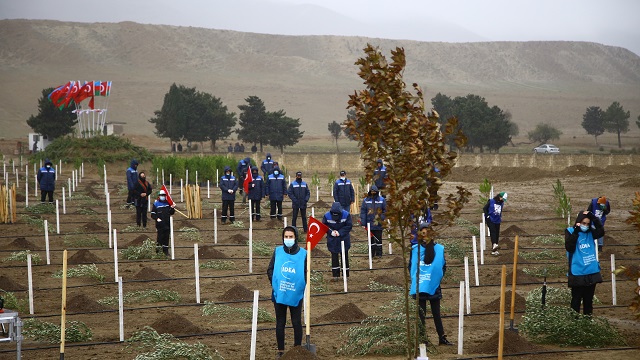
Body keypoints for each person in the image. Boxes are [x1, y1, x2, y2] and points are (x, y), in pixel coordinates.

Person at [409, 222, 453, 346]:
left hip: (427, 286)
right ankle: (428, 339)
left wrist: (432, 279)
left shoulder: (438, 249)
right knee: (427, 315)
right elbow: (411, 267)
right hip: (426, 286)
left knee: (431, 315)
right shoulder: (416, 250)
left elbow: (442, 266)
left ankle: (436, 338)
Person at [267, 225, 307, 359]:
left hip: (296, 294)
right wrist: (276, 285)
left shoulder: (304, 254)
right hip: (279, 293)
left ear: (295, 238)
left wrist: (300, 286)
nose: (288, 239)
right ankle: (280, 350)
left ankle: (297, 349)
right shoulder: (277, 252)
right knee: (280, 322)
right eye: (286, 237)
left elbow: (306, 273)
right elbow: (270, 270)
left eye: (291, 237)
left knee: (296, 322)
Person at [565, 210, 604, 316]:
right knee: (576, 300)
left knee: (588, 301)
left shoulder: (591, 232)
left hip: (591, 271)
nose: (585, 226)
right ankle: (574, 323)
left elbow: (601, 231)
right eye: (583, 223)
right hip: (578, 271)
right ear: (578, 222)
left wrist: (594, 219)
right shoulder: (570, 231)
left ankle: (587, 322)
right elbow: (569, 247)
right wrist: (576, 232)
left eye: (587, 223)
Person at [323, 202, 353, 281]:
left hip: (344, 238)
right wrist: (331, 232)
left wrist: (340, 232)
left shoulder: (346, 215)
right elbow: (324, 226)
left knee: (345, 256)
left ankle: (345, 274)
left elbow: (349, 225)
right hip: (332, 239)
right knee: (334, 257)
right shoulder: (327, 216)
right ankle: (335, 275)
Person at [360, 185, 387, 259]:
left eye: (374, 192)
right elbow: (363, 212)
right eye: (372, 192)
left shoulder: (382, 200)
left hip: (378, 224)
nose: (373, 193)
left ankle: (379, 254)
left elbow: (385, 211)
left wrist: (381, 218)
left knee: (378, 239)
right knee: (371, 240)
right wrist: (363, 222)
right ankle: (371, 253)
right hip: (369, 224)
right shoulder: (366, 200)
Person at [150, 189, 175, 256]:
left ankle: (165, 251)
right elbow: (152, 214)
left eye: (164, 195)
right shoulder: (156, 204)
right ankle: (158, 251)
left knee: (166, 238)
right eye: (161, 195)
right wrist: (157, 219)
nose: (163, 196)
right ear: (159, 196)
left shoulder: (167, 204)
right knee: (160, 238)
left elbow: (171, 213)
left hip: (167, 223)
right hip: (160, 224)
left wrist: (172, 208)